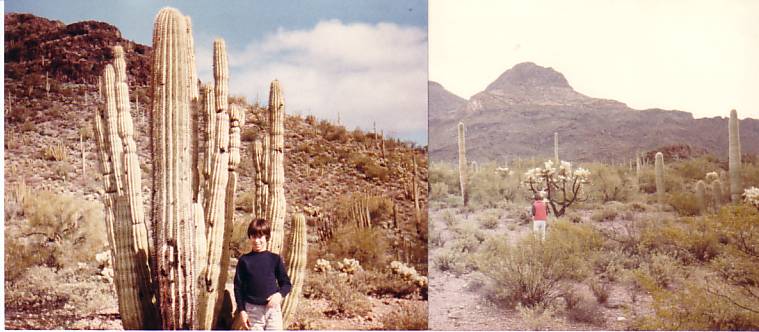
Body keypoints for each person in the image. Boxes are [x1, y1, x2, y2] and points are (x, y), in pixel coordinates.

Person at [234, 218, 292, 330]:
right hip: (253, 311)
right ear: (249, 237)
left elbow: (286, 284)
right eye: (253, 236)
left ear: (267, 237)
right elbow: (238, 288)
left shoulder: (275, 259)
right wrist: (242, 311)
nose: (256, 240)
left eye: (260, 237)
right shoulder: (244, 260)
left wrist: (279, 295)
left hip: (273, 311)